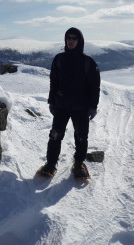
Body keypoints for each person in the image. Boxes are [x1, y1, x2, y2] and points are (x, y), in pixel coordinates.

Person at [39, 27, 100, 178]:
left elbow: (95, 86)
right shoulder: (59, 59)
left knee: (81, 137)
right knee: (55, 135)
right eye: (68, 38)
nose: (71, 41)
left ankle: (78, 164)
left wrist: (93, 106)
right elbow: (54, 82)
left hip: (81, 107)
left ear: (79, 41)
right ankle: (51, 164)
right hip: (61, 105)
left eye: (74, 38)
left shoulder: (88, 62)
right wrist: (51, 101)